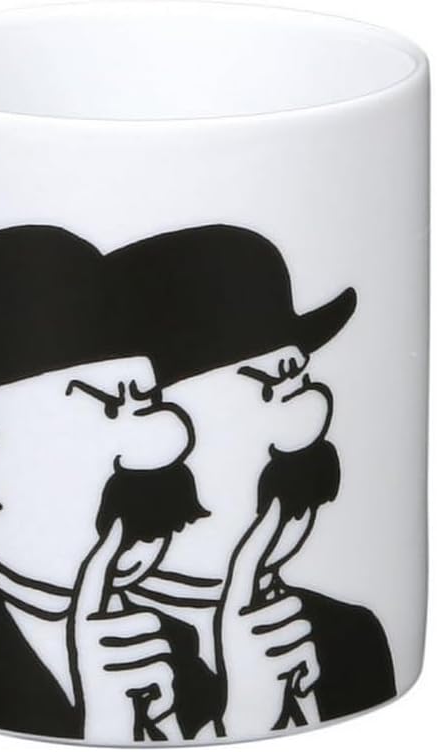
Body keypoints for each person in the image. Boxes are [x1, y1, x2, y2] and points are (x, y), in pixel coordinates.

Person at [0, 226, 219, 742]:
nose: (154, 450)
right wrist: (101, 727)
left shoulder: (174, 647)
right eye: (102, 411)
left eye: (147, 402)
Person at [107, 225, 396, 737]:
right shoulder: (113, 666)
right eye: (264, 389)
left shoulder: (352, 637)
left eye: (299, 381)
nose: (305, 428)